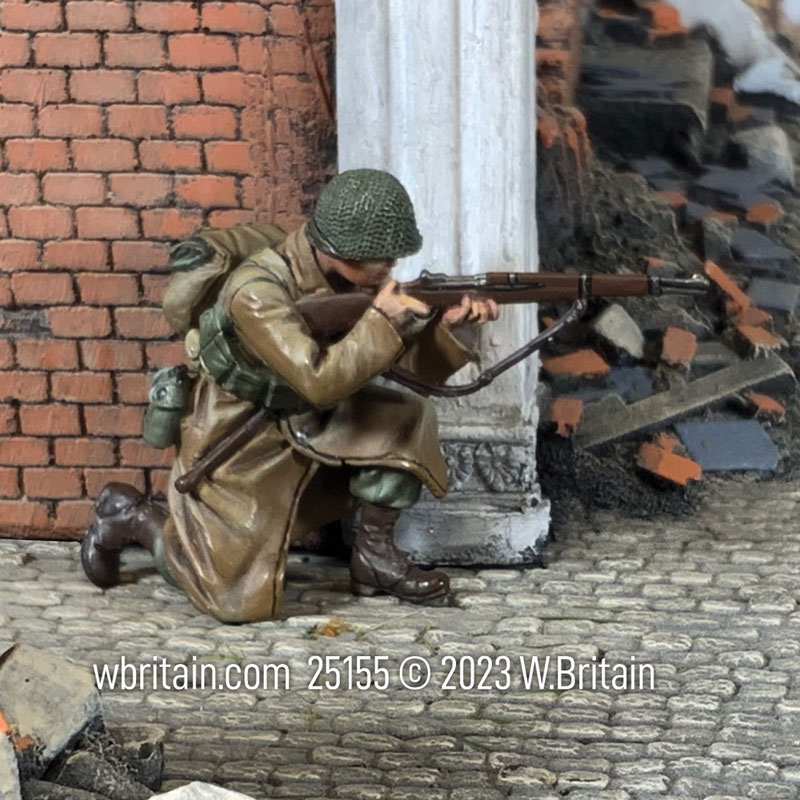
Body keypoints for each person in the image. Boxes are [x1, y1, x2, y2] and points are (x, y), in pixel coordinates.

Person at [81, 169, 499, 623]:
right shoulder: (256, 292)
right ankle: (131, 516)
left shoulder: (355, 283)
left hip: (313, 418)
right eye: (378, 257)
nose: (390, 267)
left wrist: (451, 330)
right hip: (242, 436)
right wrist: (383, 321)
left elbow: (403, 369)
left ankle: (375, 558)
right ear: (335, 249)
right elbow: (317, 380)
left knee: (405, 417)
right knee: (231, 598)